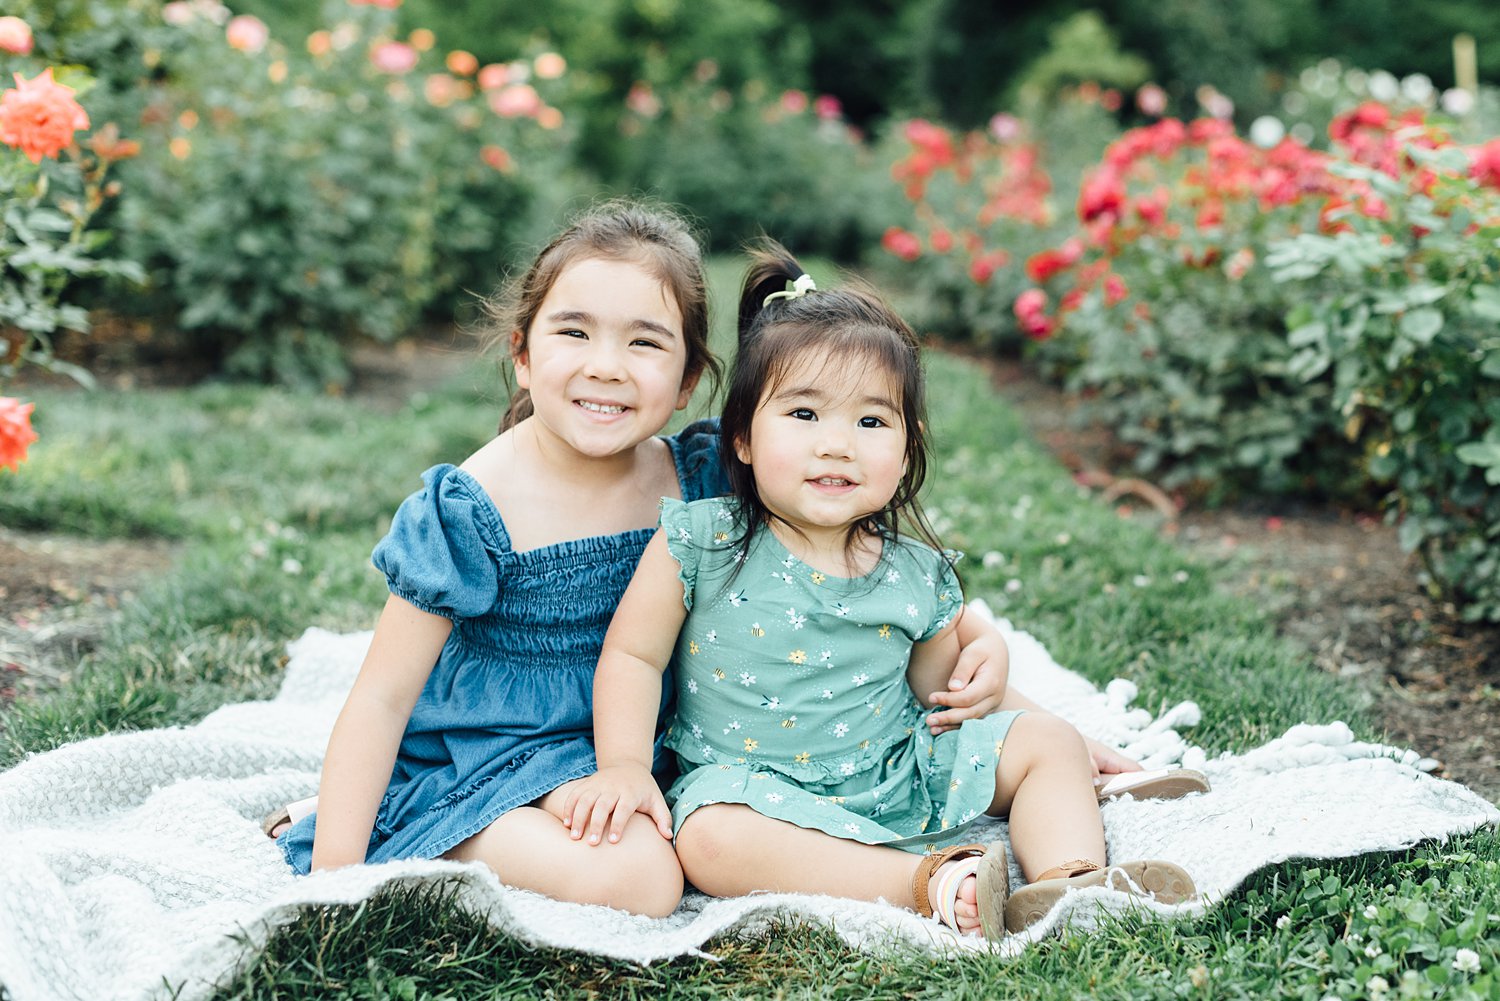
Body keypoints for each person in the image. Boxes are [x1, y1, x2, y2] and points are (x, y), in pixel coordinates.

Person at [268, 202, 1025, 917]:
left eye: (644, 341)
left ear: (690, 377)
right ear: (522, 355)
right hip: (494, 751)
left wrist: (978, 633)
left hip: (645, 742)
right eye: (574, 333)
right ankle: (424, 819)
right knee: (643, 877)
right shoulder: (472, 508)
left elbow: (859, 543)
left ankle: (1072, 773)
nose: (607, 366)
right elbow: (381, 699)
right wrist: (338, 875)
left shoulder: (699, 475)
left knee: (682, 834)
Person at [564, 242, 1198, 937]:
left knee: (1044, 739)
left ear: (906, 447)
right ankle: (928, 880)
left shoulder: (913, 571)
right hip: (757, 796)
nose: (837, 444)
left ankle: (1071, 881)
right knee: (708, 839)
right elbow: (631, 657)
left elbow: (948, 695)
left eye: (870, 421)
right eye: (804, 415)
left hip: (898, 776)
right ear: (741, 437)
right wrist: (624, 767)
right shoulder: (702, 541)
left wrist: (1071, 740)